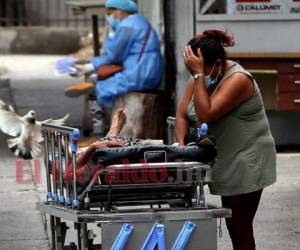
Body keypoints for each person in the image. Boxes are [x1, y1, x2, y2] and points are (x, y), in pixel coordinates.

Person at [175, 29, 276, 250]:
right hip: (226, 159)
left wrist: (199, 75)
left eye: (198, 69)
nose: (194, 74)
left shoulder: (238, 80)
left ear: (218, 63)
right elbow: (182, 114)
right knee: (234, 227)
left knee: (240, 227)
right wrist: (182, 147)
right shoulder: (200, 76)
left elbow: (207, 114)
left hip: (247, 159)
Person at [65, 0, 163, 108]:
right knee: (105, 83)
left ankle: (98, 114)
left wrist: (91, 66)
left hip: (138, 74)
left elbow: (115, 56)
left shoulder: (126, 26)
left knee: (102, 88)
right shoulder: (141, 21)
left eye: (109, 13)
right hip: (152, 72)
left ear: (120, 11)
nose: (109, 17)